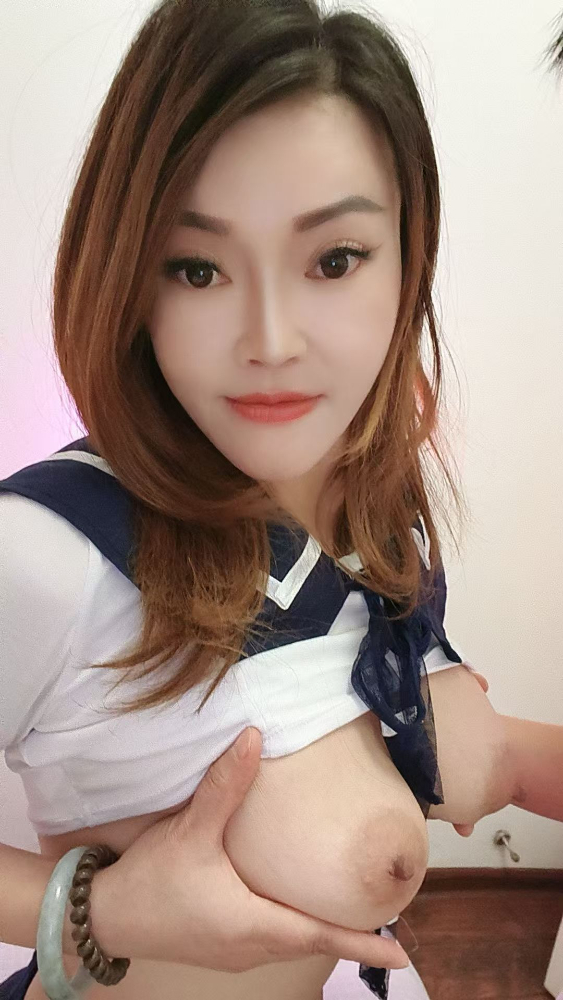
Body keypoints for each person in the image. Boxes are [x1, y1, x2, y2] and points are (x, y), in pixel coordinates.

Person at [0, 3, 562, 1000]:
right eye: (197, 268)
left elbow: (459, 747)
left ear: (408, 258)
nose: (269, 340)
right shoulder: (47, 552)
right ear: (128, 276)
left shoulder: (373, 522)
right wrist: (99, 907)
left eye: (332, 260)